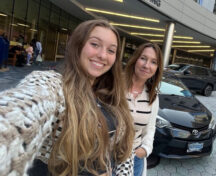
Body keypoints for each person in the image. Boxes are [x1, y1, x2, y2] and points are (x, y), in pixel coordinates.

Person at [0, 19, 135, 176]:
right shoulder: (55, 84)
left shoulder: (112, 94)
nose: (102, 55)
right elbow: (28, 105)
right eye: (95, 44)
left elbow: (123, 146)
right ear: (78, 45)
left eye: (111, 51)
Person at [124, 43, 163, 176]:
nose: (147, 65)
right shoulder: (115, 85)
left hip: (135, 158)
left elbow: (150, 128)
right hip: (106, 157)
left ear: (157, 68)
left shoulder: (152, 96)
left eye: (153, 62)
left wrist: (145, 150)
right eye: (143, 58)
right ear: (135, 59)